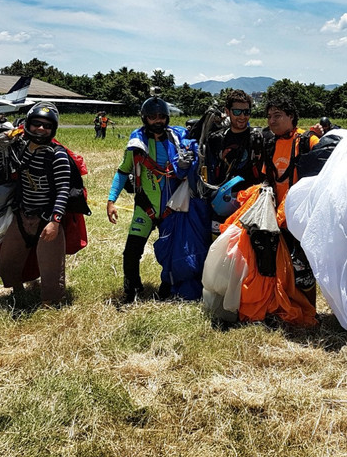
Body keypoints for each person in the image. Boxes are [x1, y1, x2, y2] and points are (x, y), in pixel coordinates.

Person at [105, 92, 195, 303]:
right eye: (153, 117)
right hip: (145, 208)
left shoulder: (178, 141)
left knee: (173, 254)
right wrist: (111, 201)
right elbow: (122, 171)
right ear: (144, 118)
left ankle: (168, 287)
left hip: (172, 209)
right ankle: (132, 288)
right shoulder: (136, 145)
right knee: (131, 253)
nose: (158, 121)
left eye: (161, 116)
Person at [0, 103, 72, 307]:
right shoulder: (20, 148)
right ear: (27, 124)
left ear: (53, 129)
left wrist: (55, 221)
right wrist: (1, 149)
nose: (41, 129)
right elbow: (2, 172)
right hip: (22, 215)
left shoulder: (57, 155)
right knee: (7, 263)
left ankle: (51, 304)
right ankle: (18, 293)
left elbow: (63, 190)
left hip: (47, 218)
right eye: (36, 124)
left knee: (52, 271)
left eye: (46, 126)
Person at [260, 94, 321, 310]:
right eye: (269, 116)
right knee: (283, 266)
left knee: (303, 268)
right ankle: (286, 307)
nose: (272, 121)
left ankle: (308, 312)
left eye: (277, 115)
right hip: (278, 218)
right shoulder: (269, 144)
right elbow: (269, 179)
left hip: (303, 218)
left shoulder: (307, 141)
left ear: (291, 117)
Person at [204, 89, 264, 227]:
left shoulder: (258, 138)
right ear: (227, 111)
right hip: (221, 204)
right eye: (237, 112)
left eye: (246, 112)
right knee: (218, 246)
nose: (242, 116)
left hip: (249, 204)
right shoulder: (216, 139)